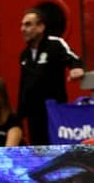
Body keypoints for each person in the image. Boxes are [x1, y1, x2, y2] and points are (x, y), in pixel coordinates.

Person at [17, 8, 84, 146]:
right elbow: (23, 86)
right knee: (39, 152)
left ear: (41, 27)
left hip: (54, 112)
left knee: (56, 150)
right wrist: (19, 117)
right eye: (22, 25)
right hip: (33, 116)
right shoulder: (25, 55)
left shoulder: (55, 44)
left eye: (28, 24)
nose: (23, 29)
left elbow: (73, 58)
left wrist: (76, 68)